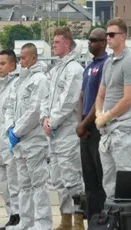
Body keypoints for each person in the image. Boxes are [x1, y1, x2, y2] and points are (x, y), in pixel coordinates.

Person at [41, 27, 84, 230]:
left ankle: (78, 219)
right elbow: (46, 97)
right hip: (53, 134)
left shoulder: (74, 69)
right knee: (57, 179)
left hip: (68, 133)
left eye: (57, 42)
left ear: (67, 43)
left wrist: (54, 121)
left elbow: (69, 100)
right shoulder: (55, 69)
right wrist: (44, 119)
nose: (54, 45)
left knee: (72, 178)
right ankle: (65, 219)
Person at [6, 44, 52, 230]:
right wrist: (10, 127)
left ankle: (42, 223)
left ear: (34, 58)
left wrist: (17, 131)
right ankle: (26, 222)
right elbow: (9, 105)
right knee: (24, 185)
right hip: (20, 143)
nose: (21, 61)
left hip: (34, 140)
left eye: (24, 58)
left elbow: (35, 111)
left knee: (39, 183)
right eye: (20, 58)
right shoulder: (18, 82)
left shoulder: (40, 80)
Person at [95, 18, 131, 200]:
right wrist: (99, 113)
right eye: (107, 34)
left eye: (112, 34)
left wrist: (107, 115)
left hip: (123, 132)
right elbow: (100, 95)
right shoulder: (108, 63)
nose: (108, 38)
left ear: (123, 36)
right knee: (109, 185)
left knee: (125, 183)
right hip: (107, 133)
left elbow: (128, 99)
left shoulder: (130, 62)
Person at [76, 28, 108, 222]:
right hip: (85, 126)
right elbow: (81, 96)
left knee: (100, 175)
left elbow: (101, 99)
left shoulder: (106, 65)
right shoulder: (88, 67)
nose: (89, 43)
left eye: (94, 40)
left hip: (97, 125)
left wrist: (86, 124)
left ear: (104, 42)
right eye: (88, 40)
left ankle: (105, 219)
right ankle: (93, 219)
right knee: (88, 178)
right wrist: (80, 123)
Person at [0, 50, 20, 230]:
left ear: (12, 65)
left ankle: (18, 216)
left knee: (14, 184)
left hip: (10, 143)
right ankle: (11, 216)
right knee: (3, 184)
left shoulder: (16, 85)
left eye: (2, 63)